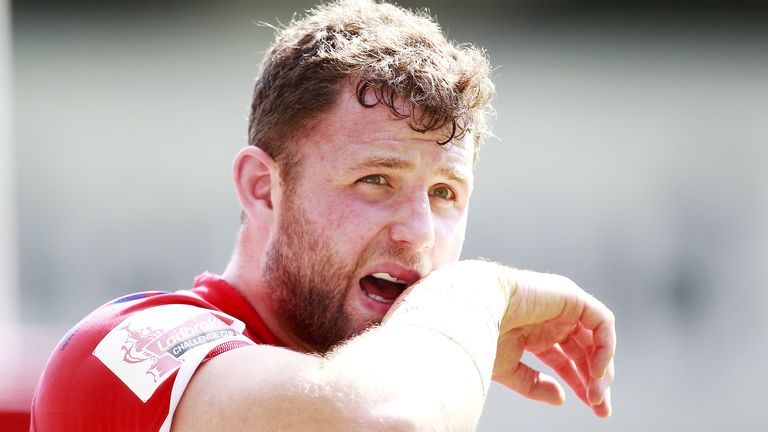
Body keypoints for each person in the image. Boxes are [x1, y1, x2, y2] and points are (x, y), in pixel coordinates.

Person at [30, 0, 616, 430]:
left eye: (444, 193)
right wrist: (478, 293)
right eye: (375, 180)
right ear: (263, 188)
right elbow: (386, 422)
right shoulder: (126, 348)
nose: (419, 232)